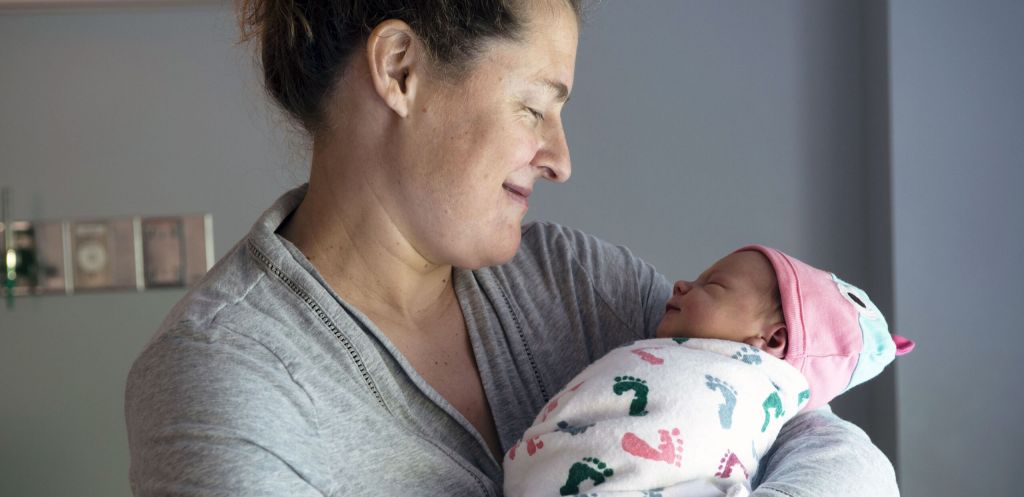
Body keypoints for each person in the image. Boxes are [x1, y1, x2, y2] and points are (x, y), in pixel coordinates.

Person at [124, 1, 901, 495]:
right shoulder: (222, 378)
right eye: (533, 107)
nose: (561, 159)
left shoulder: (570, 277)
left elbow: (816, 425)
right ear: (401, 69)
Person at [502, 246, 915, 496]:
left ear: (771, 341)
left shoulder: (758, 387)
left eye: (711, 286)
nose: (680, 284)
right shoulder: (679, 347)